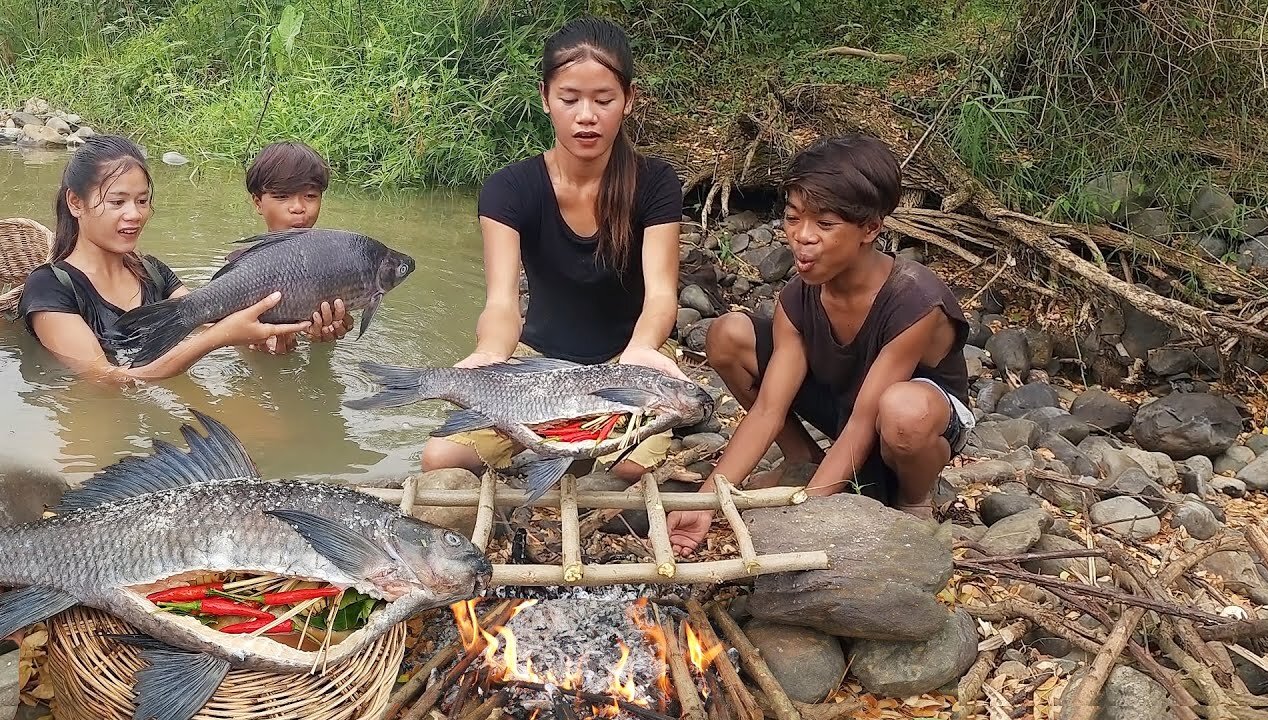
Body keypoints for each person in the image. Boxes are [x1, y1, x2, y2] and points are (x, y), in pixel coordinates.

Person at [665, 134, 976, 556]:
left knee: (903, 411)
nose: (802, 237)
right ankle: (806, 465)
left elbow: (866, 420)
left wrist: (804, 517)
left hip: (916, 421)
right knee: (728, 334)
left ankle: (913, 499)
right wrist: (705, 503)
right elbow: (769, 408)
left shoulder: (914, 299)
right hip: (845, 399)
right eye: (793, 219)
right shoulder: (798, 297)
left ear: (871, 227)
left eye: (825, 225)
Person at [419, 16, 686, 483]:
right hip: (536, 369)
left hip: (627, 366)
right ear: (545, 98)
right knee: (439, 458)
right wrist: (490, 354)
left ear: (629, 101)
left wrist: (641, 352)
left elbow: (662, 294)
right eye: (570, 99)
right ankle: (554, 446)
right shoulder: (509, 189)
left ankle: (574, 450)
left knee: (622, 470)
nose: (587, 115)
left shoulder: (655, 183)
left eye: (604, 100)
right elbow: (502, 301)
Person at [17, 134, 319, 384]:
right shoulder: (49, 287)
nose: (134, 214)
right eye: (117, 202)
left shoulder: (153, 272)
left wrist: (275, 337)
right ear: (75, 202)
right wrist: (218, 338)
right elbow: (105, 381)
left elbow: (209, 320)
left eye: (142, 201)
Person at [242, 140, 353, 354]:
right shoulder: (240, 268)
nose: (298, 208)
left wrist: (327, 340)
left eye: (310, 196)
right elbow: (224, 337)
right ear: (258, 203)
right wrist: (250, 346)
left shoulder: (331, 264)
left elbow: (334, 324)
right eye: (282, 196)